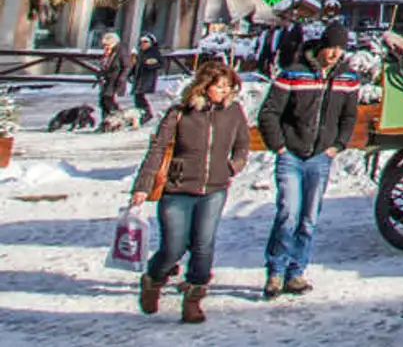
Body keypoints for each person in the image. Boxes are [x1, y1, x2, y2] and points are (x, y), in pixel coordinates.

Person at [131, 58, 249, 323]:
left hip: (214, 189)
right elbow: (158, 149)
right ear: (204, 85)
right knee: (172, 247)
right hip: (178, 188)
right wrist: (142, 186)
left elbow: (242, 145)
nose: (224, 92)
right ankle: (153, 279)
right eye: (219, 86)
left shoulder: (233, 112)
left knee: (203, 245)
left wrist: (234, 166)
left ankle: (193, 299)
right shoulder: (181, 112)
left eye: (228, 87)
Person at [256, 22, 359, 300]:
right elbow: (269, 112)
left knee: (309, 219)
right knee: (288, 213)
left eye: (340, 48)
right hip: (291, 153)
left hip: (320, 156)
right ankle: (275, 271)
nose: (335, 53)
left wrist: (338, 145)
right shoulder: (293, 73)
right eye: (332, 47)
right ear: (322, 45)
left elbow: (349, 116)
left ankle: (296, 271)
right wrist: (278, 146)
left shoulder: (348, 79)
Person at [95, 32, 132, 129]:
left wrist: (122, 78)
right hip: (107, 80)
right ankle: (106, 122)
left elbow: (127, 66)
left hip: (115, 80)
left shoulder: (121, 50)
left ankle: (118, 120)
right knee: (103, 101)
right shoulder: (109, 51)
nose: (105, 46)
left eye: (107, 44)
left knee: (109, 101)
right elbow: (104, 65)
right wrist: (100, 73)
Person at [132, 32, 165, 121]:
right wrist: (131, 73)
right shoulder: (141, 52)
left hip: (147, 78)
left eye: (145, 42)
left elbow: (161, 64)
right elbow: (136, 65)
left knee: (140, 96)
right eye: (142, 42)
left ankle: (146, 113)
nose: (143, 44)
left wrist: (150, 65)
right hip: (139, 77)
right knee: (137, 96)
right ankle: (142, 113)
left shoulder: (153, 52)